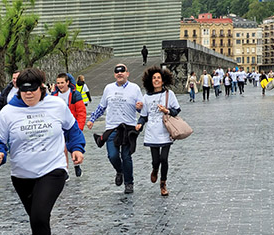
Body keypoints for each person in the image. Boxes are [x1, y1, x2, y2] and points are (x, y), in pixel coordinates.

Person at [0, 67, 85, 235]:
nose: (28, 95)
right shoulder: (7, 113)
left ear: (42, 88)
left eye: (33, 91)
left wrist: (76, 148)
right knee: (36, 220)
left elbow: (72, 130)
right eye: (24, 92)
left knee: (40, 217)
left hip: (53, 169)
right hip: (22, 175)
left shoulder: (56, 105)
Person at [87, 64, 143, 194]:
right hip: (112, 128)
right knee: (112, 155)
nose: (120, 73)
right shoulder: (108, 88)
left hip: (128, 128)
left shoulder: (135, 88)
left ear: (127, 73)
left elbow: (141, 108)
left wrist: (139, 108)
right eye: (117, 72)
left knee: (126, 156)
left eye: (122, 71)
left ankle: (129, 183)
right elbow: (102, 107)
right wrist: (92, 119)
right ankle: (120, 171)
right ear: (114, 75)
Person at [135, 66, 180, 196]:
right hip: (152, 133)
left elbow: (177, 110)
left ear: (163, 80)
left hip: (166, 131)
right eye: (154, 78)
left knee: (164, 159)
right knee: (156, 160)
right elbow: (144, 116)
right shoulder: (146, 97)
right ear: (150, 80)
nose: (156, 80)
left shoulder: (169, 94)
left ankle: (163, 183)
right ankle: (155, 169)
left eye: (158, 78)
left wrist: (167, 111)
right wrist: (139, 124)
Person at [52, 73, 86, 177]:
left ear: (67, 82)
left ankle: (76, 165)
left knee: (72, 147)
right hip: (59, 127)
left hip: (72, 126)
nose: (60, 85)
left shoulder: (75, 95)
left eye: (62, 82)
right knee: (63, 149)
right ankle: (65, 171)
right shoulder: (54, 96)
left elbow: (81, 112)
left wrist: (79, 128)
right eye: (58, 83)